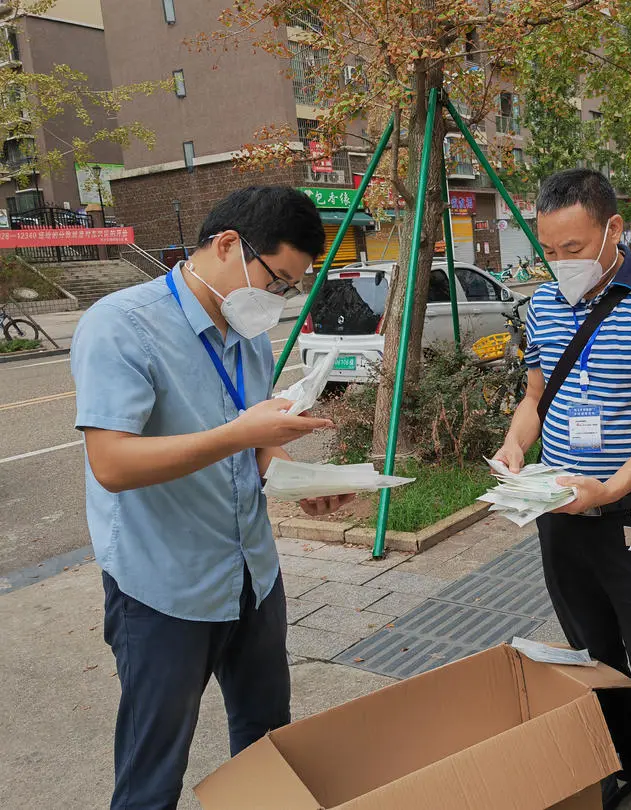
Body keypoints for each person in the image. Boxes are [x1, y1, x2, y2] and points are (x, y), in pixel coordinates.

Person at [71, 186, 355, 810]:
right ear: (228, 244)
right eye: (277, 280)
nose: (277, 300)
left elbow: (255, 449)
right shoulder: (122, 325)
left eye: (289, 289)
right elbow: (111, 463)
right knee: (153, 771)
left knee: (265, 744)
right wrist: (243, 434)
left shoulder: (248, 332)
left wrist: (295, 480)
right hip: (163, 588)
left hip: (252, 575)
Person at [492, 169, 631, 810]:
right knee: (591, 657)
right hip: (560, 511)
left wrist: (610, 489)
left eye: (574, 248)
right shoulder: (543, 306)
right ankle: (622, 766)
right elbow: (535, 396)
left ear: (614, 229)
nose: (561, 264)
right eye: (549, 251)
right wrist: (515, 444)